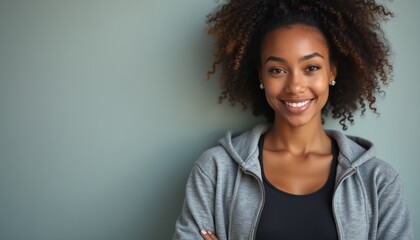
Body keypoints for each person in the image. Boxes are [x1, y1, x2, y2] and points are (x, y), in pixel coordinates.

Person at [173, 0, 414, 239]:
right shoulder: (216, 170)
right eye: (277, 70)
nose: (295, 86)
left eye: (311, 68)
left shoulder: (378, 180)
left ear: (332, 71)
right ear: (261, 76)